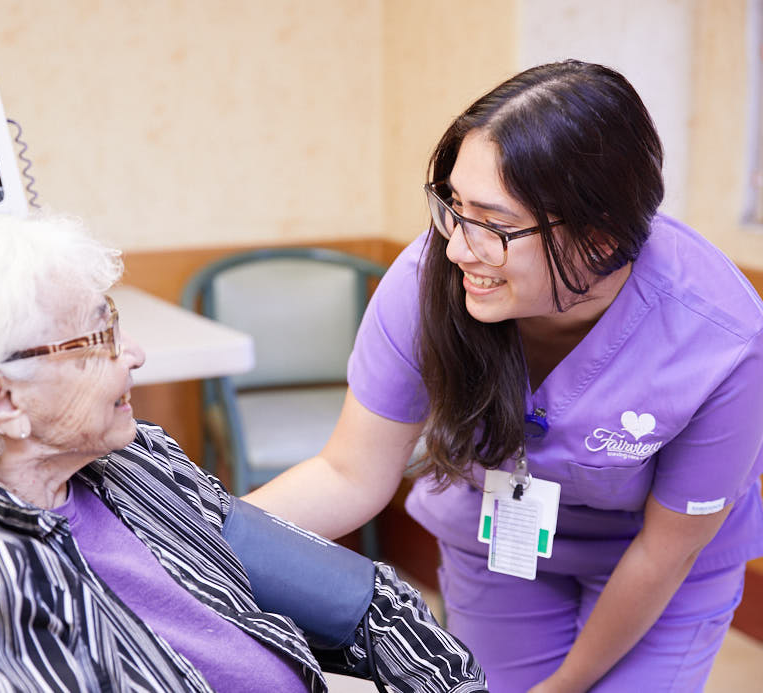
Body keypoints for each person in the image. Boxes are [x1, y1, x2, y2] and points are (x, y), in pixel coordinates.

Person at [245, 59, 763, 692]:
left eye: (493, 224)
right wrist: (188, 540)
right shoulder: (424, 281)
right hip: (502, 544)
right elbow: (347, 474)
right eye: (455, 208)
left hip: (660, 565)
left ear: (599, 241)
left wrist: (565, 685)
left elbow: (665, 551)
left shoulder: (722, 337)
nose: (460, 247)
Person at [0, 214, 487, 692]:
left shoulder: (126, 463)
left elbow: (363, 601)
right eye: (99, 337)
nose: (133, 354)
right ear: (2, 400)